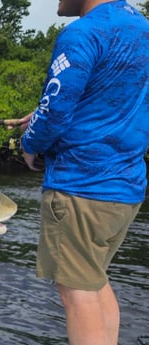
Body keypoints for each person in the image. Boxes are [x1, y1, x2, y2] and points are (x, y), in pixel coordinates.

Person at [13, 0, 149, 343]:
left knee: (76, 293)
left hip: (81, 189)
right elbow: (109, 97)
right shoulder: (142, 28)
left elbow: (55, 110)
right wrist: (43, 113)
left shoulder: (82, 33)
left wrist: (29, 143)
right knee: (94, 279)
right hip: (126, 189)